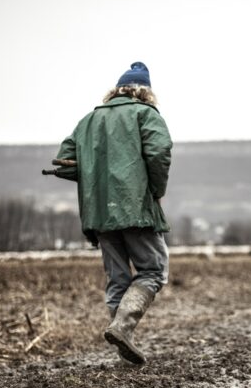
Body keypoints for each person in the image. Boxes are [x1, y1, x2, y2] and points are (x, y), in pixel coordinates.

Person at [54, 61, 172, 365]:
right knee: (153, 270)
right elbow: (159, 153)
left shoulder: (88, 121)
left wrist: (95, 174)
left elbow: (64, 161)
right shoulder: (146, 115)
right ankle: (122, 327)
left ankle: (123, 339)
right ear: (144, 92)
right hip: (135, 209)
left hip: (99, 214)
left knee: (118, 277)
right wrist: (156, 192)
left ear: (116, 90)